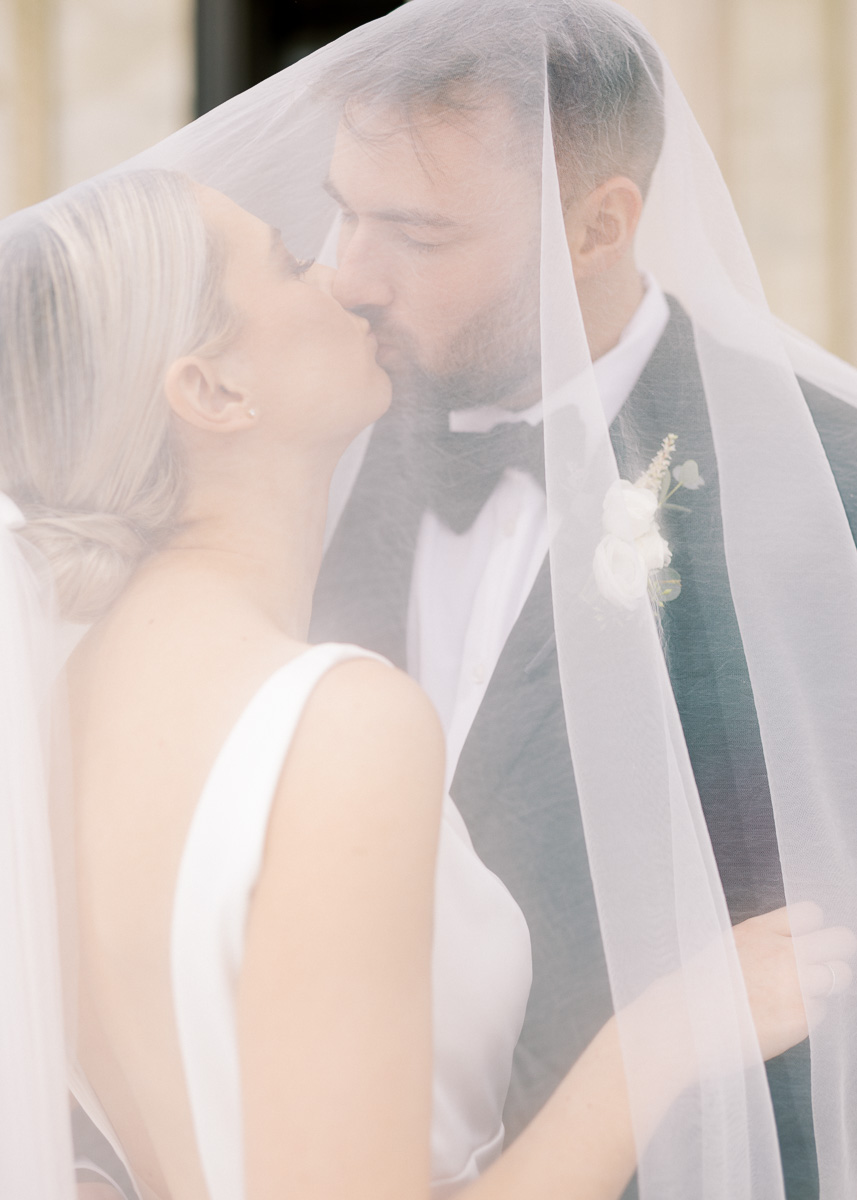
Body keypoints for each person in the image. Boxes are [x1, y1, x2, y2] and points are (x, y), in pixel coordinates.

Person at [0, 166, 850, 1200]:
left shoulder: (73, 690)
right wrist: (663, 1041)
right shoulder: (336, 727)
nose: (342, 280)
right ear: (211, 389)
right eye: (284, 261)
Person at [304, 1, 857, 1196]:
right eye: (341, 209)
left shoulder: (825, 489)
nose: (345, 275)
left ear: (599, 227)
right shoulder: (303, 445)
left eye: (413, 231)